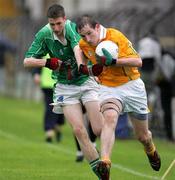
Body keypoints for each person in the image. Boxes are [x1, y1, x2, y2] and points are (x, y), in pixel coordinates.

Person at [23, 4, 105, 179]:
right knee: (78, 130)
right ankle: (100, 171)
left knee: (98, 129)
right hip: (64, 86)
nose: (56, 28)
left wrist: (82, 67)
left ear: (65, 20)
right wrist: (47, 62)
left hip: (85, 81)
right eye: (52, 24)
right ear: (48, 23)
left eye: (59, 23)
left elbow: (77, 48)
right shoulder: (44, 34)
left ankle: (102, 154)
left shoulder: (71, 28)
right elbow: (27, 61)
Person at [76, 15, 161, 179]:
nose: (87, 39)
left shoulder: (115, 37)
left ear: (97, 27)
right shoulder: (84, 43)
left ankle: (150, 148)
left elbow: (138, 61)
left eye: (89, 34)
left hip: (132, 86)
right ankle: (105, 162)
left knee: (142, 136)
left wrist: (113, 61)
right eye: (83, 36)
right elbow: (81, 50)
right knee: (110, 117)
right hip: (108, 88)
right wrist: (83, 67)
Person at [32, 66, 65, 143]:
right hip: (47, 84)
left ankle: (58, 126)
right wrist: (36, 74)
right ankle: (49, 130)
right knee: (50, 107)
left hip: (62, 84)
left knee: (60, 106)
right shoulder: (45, 53)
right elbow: (38, 61)